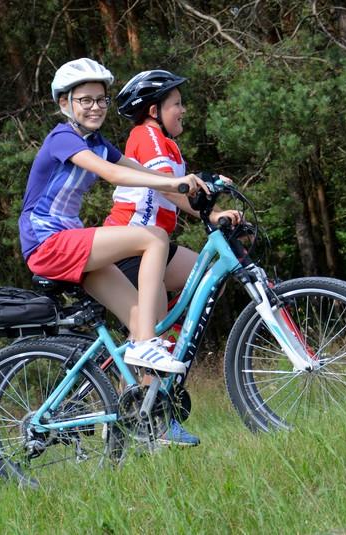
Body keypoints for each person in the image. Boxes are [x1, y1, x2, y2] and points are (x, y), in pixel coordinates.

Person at [18, 58, 209, 375]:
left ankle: (138, 403)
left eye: (101, 99)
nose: (95, 107)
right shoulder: (62, 138)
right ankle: (145, 345)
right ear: (65, 104)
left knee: (141, 321)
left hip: (72, 244)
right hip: (47, 243)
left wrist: (194, 183)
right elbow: (112, 174)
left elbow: (140, 172)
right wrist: (173, 183)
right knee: (155, 238)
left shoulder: (96, 142)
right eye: (85, 100)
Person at [104, 70, 243, 446]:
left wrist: (213, 205)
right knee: (149, 334)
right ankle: (154, 423)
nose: (183, 110)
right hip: (131, 247)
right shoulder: (146, 135)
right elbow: (171, 190)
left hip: (153, 247)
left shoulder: (167, 145)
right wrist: (210, 208)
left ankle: (138, 402)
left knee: (206, 280)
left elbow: (179, 193)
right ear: (154, 110)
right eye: (176, 104)